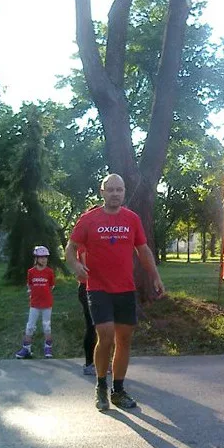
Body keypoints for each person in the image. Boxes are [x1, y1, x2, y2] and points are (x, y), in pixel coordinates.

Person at [66, 173, 165, 412]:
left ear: (124, 192)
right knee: (106, 335)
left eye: (119, 190)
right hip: (98, 287)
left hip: (125, 288)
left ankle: (118, 390)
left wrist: (155, 276)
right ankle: (101, 386)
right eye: (110, 190)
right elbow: (70, 247)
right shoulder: (88, 219)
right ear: (102, 192)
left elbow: (143, 250)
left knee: (124, 339)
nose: (115, 194)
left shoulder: (132, 219)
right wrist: (76, 265)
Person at [14, 246, 55, 359]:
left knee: (46, 326)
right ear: (36, 259)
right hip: (34, 304)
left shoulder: (49, 272)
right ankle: (26, 348)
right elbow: (30, 285)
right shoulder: (31, 272)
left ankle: (48, 347)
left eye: (45, 257)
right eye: (41, 257)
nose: (44, 259)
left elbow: (51, 286)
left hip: (47, 303)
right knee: (30, 326)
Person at [76, 244, 97, 375]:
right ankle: (89, 364)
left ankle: (100, 361)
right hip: (86, 289)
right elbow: (87, 267)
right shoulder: (83, 246)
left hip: (98, 288)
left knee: (102, 327)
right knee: (92, 326)